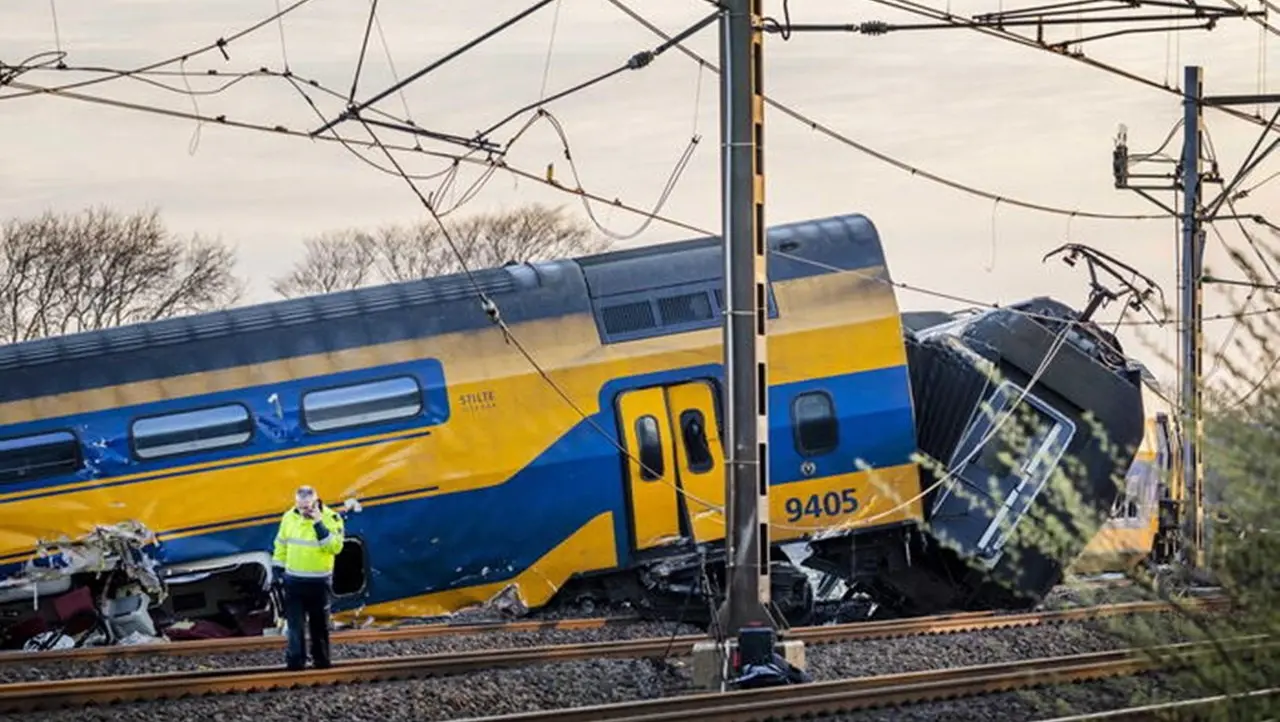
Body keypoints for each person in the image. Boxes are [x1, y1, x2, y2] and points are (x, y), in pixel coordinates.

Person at [271, 485, 344, 670]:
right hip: (293, 580)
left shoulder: (332, 518)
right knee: (295, 626)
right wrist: (277, 571)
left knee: (319, 626)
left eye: (308, 507)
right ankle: (295, 663)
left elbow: (335, 548)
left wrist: (318, 523)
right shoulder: (289, 517)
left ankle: (322, 661)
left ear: (316, 502)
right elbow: (281, 545)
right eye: (300, 507)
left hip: (319, 582)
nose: (304, 511)